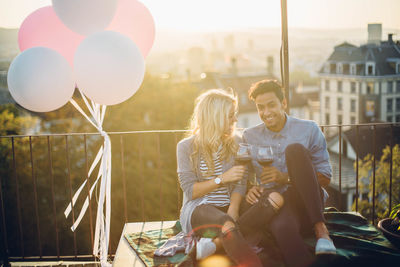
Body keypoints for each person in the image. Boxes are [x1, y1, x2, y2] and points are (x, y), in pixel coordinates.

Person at [176, 89, 283, 266]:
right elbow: (190, 190)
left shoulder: (236, 141)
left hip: (231, 202)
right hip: (201, 207)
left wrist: (233, 207)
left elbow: (241, 182)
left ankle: (215, 244)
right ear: (215, 117)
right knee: (225, 223)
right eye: (230, 116)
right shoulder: (186, 147)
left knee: (275, 198)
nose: (235, 120)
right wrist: (222, 178)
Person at [242, 80, 336, 267]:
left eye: (271, 105)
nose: (266, 113)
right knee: (282, 229)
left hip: (307, 202)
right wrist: (249, 189)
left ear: (283, 103)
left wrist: (284, 177)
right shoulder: (249, 136)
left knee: (295, 150)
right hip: (277, 204)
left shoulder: (308, 129)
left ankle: (321, 230)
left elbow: (325, 178)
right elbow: (244, 175)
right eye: (261, 108)